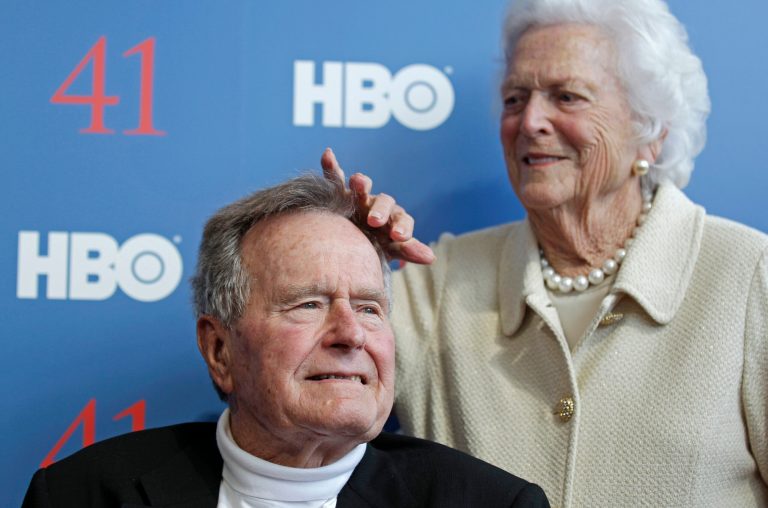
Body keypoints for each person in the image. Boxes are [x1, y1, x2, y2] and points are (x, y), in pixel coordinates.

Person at [321, 0, 768, 506]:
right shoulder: (435, 284)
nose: (530, 120)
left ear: (652, 132)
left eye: (568, 97)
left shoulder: (751, 276)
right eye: (515, 99)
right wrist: (345, 257)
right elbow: (303, 391)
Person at [22, 174, 549, 508]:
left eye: (369, 308)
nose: (350, 334)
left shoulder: (491, 503)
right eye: (308, 304)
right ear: (219, 351)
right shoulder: (83, 494)